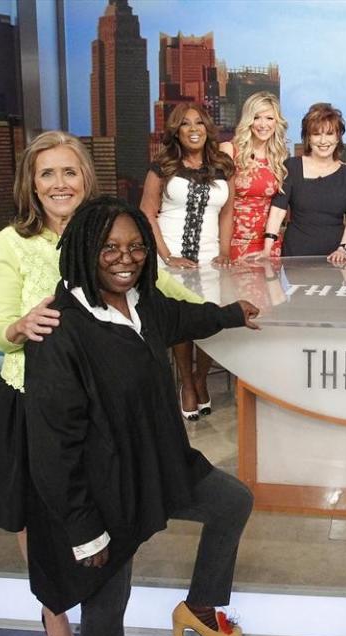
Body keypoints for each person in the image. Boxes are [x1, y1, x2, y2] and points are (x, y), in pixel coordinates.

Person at [23, 196, 258, 636]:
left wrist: (232, 314)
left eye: (134, 247)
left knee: (231, 501)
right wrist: (84, 532)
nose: (124, 259)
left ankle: (200, 606)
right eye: (110, 248)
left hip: (158, 468)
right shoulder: (61, 329)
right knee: (107, 604)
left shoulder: (143, 304)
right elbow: (53, 447)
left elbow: (185, 318)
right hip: (102, 494)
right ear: (85, 250)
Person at [0, 131, 200, 636]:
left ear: (85, 177)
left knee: (98, 507)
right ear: (32, 183)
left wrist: (216, 308)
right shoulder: (10, 244)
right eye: (46, 173)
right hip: (30, 402)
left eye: (68, 171)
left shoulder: (108, 230)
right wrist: (21, 326)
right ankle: (54, 614)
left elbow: (163, 289)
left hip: (102, 406)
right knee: (37, 516)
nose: (58, 183)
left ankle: (98, 609)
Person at [141, 103, 236, 419]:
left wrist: (224, 252)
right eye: (185, 124)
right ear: (176, 132)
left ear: (208, 128)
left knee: (209, 320)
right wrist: (167, 256)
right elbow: (146, 214)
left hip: (211, 260)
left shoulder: (223, 166)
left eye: (199, 122)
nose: (193, 128)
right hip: (172, 259)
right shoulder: (162, 167)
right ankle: (187, 383)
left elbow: (227, 213)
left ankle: (200, 378)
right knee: (182, 322)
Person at [261, 103, 346, 261]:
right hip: (296, 254)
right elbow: (278, 212)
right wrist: (266, 250)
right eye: (316, 134)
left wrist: (343, 247)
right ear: (308, 138)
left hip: (335, 258)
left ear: (338, 137)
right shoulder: (292, 166)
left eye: (329, 133)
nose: (323, 140)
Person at [220, 91, 288, 260]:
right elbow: (217, 202)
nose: (263, 124)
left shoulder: (279, 157)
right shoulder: (229, 150)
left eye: (269, 118)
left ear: (276, 122)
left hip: (268, 246)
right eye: (257, 117)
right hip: (233, 243)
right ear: (248, 120)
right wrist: (223, 250)